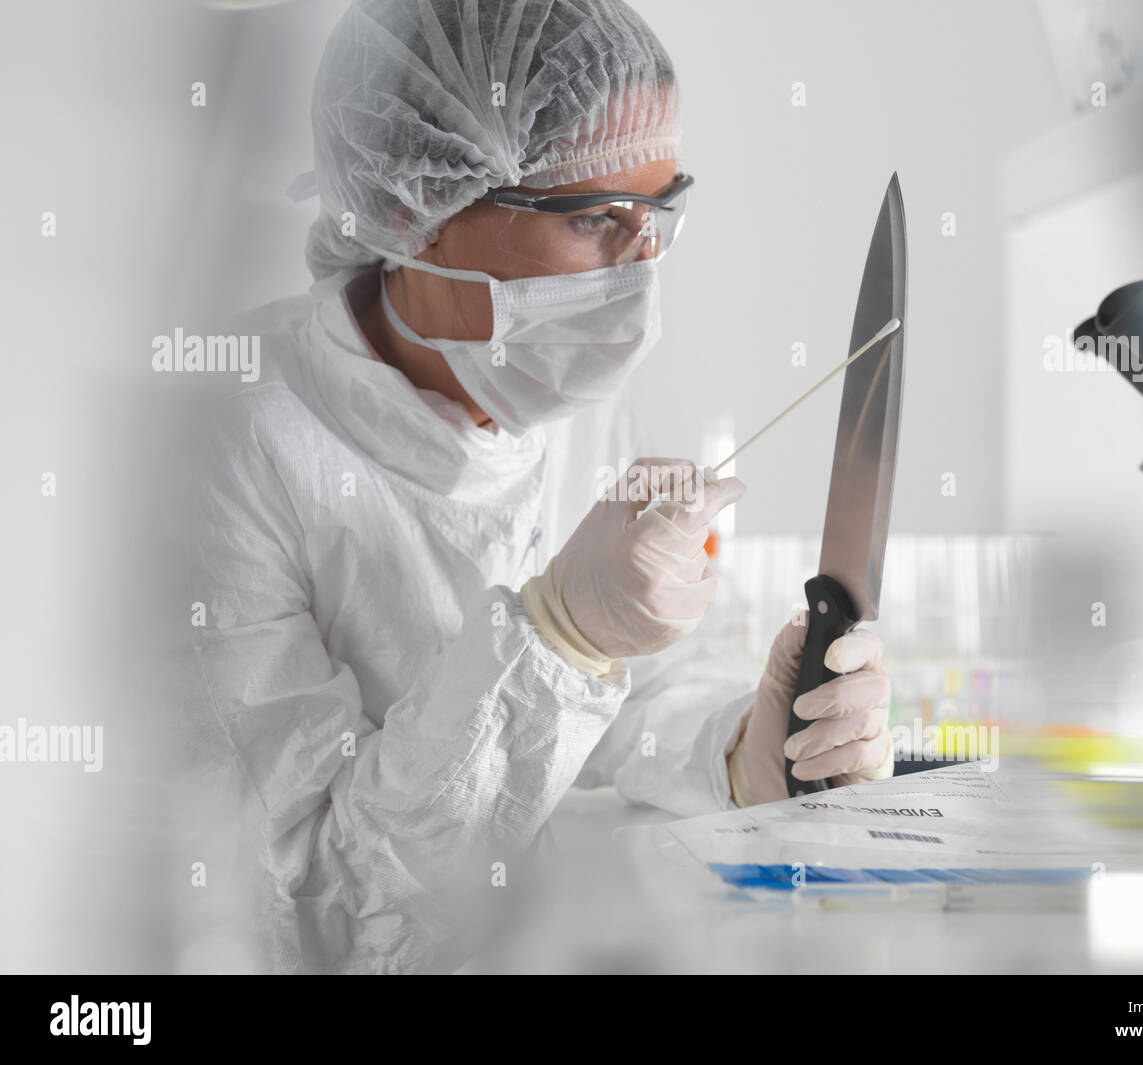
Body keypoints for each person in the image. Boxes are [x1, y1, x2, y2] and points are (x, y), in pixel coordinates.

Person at [190, 0, 892, 974]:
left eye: (660, 213)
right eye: (598, 218)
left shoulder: (552, 380)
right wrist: (558, 635)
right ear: (412, 211)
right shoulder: (230, 438)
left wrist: (739, 749)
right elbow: (322, 905)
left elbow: (626, 703)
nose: (641, 269)